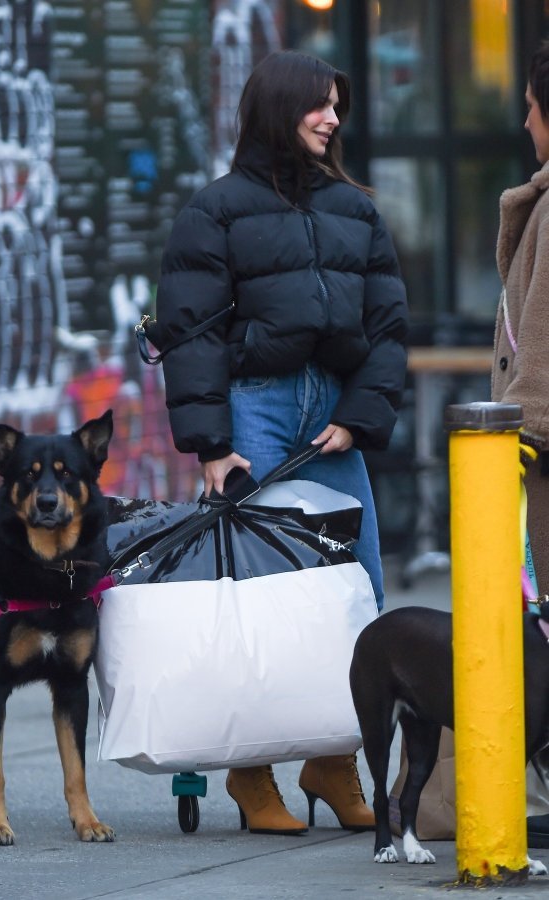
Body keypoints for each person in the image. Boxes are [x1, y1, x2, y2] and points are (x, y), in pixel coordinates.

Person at [155, 50, 408, 835]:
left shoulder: (354, 209)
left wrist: (361, 413)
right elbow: (190, 328)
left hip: (333, 411)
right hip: (257, 409)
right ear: (279, 109)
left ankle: (333, 762)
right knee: (260, 596)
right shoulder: (216, 209)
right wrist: (211, 445)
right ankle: (249, 770)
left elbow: (389, 325)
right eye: (320, 105)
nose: (334, 118)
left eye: (338, 105)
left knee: (356, 592)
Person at [492, 40, 549, 848]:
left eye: (534, 107)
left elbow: (536, 338)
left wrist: (521, 435)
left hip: (539, 457)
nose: (527, 122)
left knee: (532, 615)